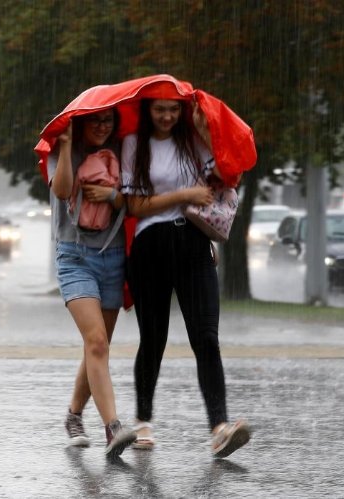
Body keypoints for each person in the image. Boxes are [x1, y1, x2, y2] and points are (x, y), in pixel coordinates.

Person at [121, 98, 251, 458]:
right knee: (153, 339)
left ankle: (220, 427)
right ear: (148, 110)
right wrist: (184, 195)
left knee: (206, 337)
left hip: (194, 242)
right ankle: (143, 420)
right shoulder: (135, 144)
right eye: (159, 109)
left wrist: (207, 128)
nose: (166, 116)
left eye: (173, 110)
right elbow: (134, 206)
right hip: (151, 247)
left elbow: (225, 176)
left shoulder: (193, 141)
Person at [48, 108, 137, 458]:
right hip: (74, 256)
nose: (102, 127)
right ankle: (113, 427)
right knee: (96, 340)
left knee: (97, 346)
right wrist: (68, 146)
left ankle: (73, 415)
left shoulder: (124, 149)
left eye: (108, 121)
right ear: (81, 123)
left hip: (113, 257)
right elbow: (61, 191)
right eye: (95, 121)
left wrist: (113, 198)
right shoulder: (63, 149)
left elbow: (137, 201)